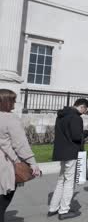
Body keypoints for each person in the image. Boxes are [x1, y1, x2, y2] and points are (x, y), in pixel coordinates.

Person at [0, 89, 41, 222]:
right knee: (3, 200)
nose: (15, 102)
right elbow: (20, 144)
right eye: (12, 100)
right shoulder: (10, 118)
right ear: (6, 102)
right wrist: (32, 162)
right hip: (5, 164)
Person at [48, 98, 88, 220]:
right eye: (85, 109)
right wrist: (85, 134)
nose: (85, 112)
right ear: (81, 106)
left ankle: (53, 207)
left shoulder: (61, 116)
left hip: (61, 151)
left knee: (61, 180)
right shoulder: (76, 117)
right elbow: (77, 136)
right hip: (71, 152)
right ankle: (64, 210)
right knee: (69, 182)